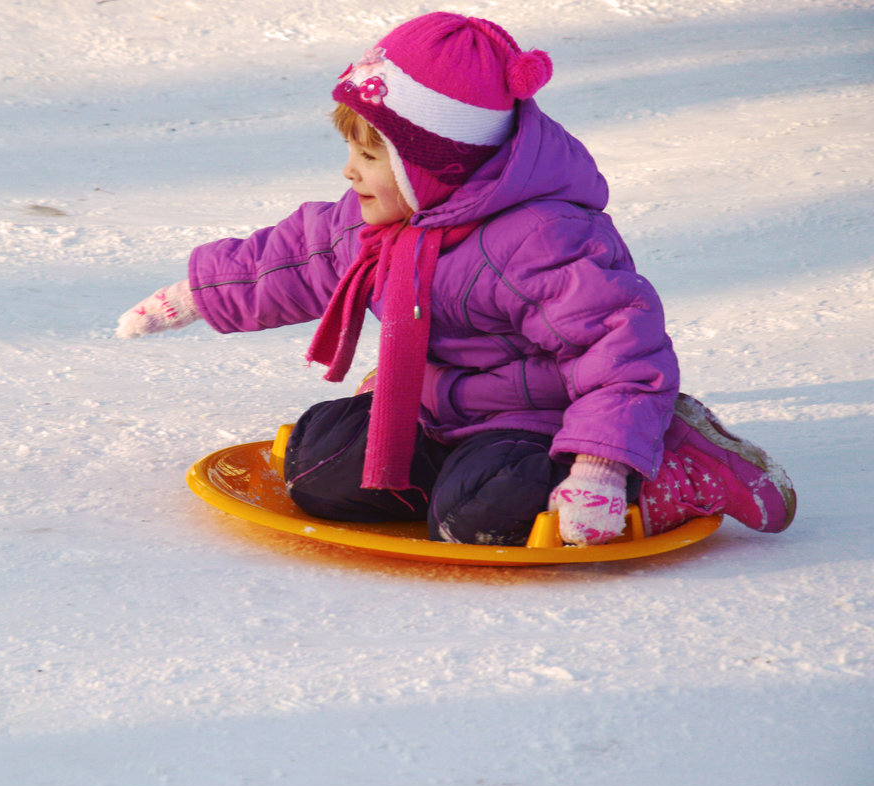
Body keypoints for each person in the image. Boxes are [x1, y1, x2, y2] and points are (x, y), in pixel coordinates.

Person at [116, 13, 796, 546]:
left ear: (438, 163)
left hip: (539, 422)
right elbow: (291, 258)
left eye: (370, 154)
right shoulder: (383, 221)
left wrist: (600, 467)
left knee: (482, 514)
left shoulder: (541, 240)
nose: (350, 172)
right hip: (438, 409)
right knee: (319, 466)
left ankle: (676, 467)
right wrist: (194, 296)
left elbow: (618, 351)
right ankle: (441, 477)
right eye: (350, 149)